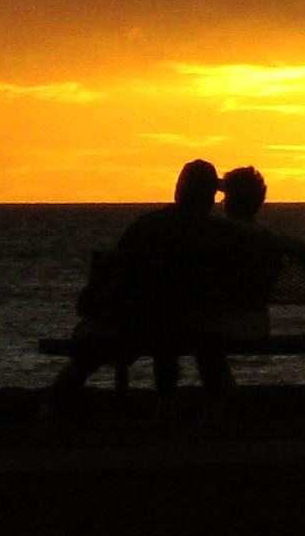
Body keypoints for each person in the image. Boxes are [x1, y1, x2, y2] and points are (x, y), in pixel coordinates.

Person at [46, 158, 243, 413]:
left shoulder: (146, 225)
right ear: (207, 198)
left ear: (179, 191)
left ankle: (54, 407)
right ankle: (195, 406)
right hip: (179, 321)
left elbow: (114, 273)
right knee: (186, 338)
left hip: (134, 318)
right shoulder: (217, 233)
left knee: (100, 348)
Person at [204, 164, 305, 339]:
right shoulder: (271, 241)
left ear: (229, 200)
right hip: (258, 326)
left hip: (220, 327)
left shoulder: (217, 236)